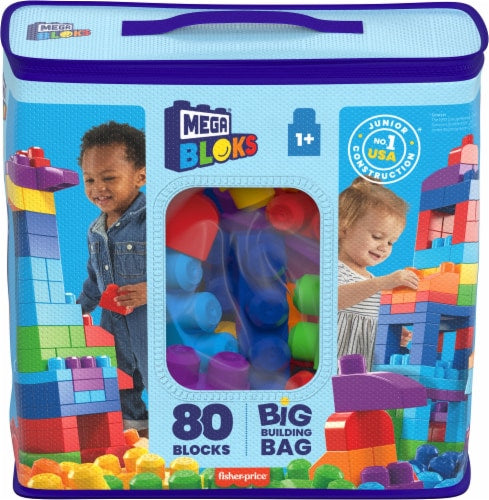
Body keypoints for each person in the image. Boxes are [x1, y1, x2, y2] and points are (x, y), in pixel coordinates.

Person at [77, 121, 148, 436]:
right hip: (113, 322)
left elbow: (182, 268)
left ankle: (173, 428)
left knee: (155, 372)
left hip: (149, 321)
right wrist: (78, 310)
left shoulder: (154, 218)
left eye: (109, 178)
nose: (98, 189)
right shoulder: (95, 230)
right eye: (90, 179)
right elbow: (95, 279)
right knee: (118, 377)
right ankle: (134, 431)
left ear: (140, 177)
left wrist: (151, 290)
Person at [338, 177, 419, 370]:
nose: (384, 247)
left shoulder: (373, 281)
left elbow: (372, 317)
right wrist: (382, 283)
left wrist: (394, 332)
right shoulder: (334, 268)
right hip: (338, 360)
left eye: (391, 242)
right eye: (377, 237)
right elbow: (332, 300)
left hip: (366, 364)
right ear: (344, 228)